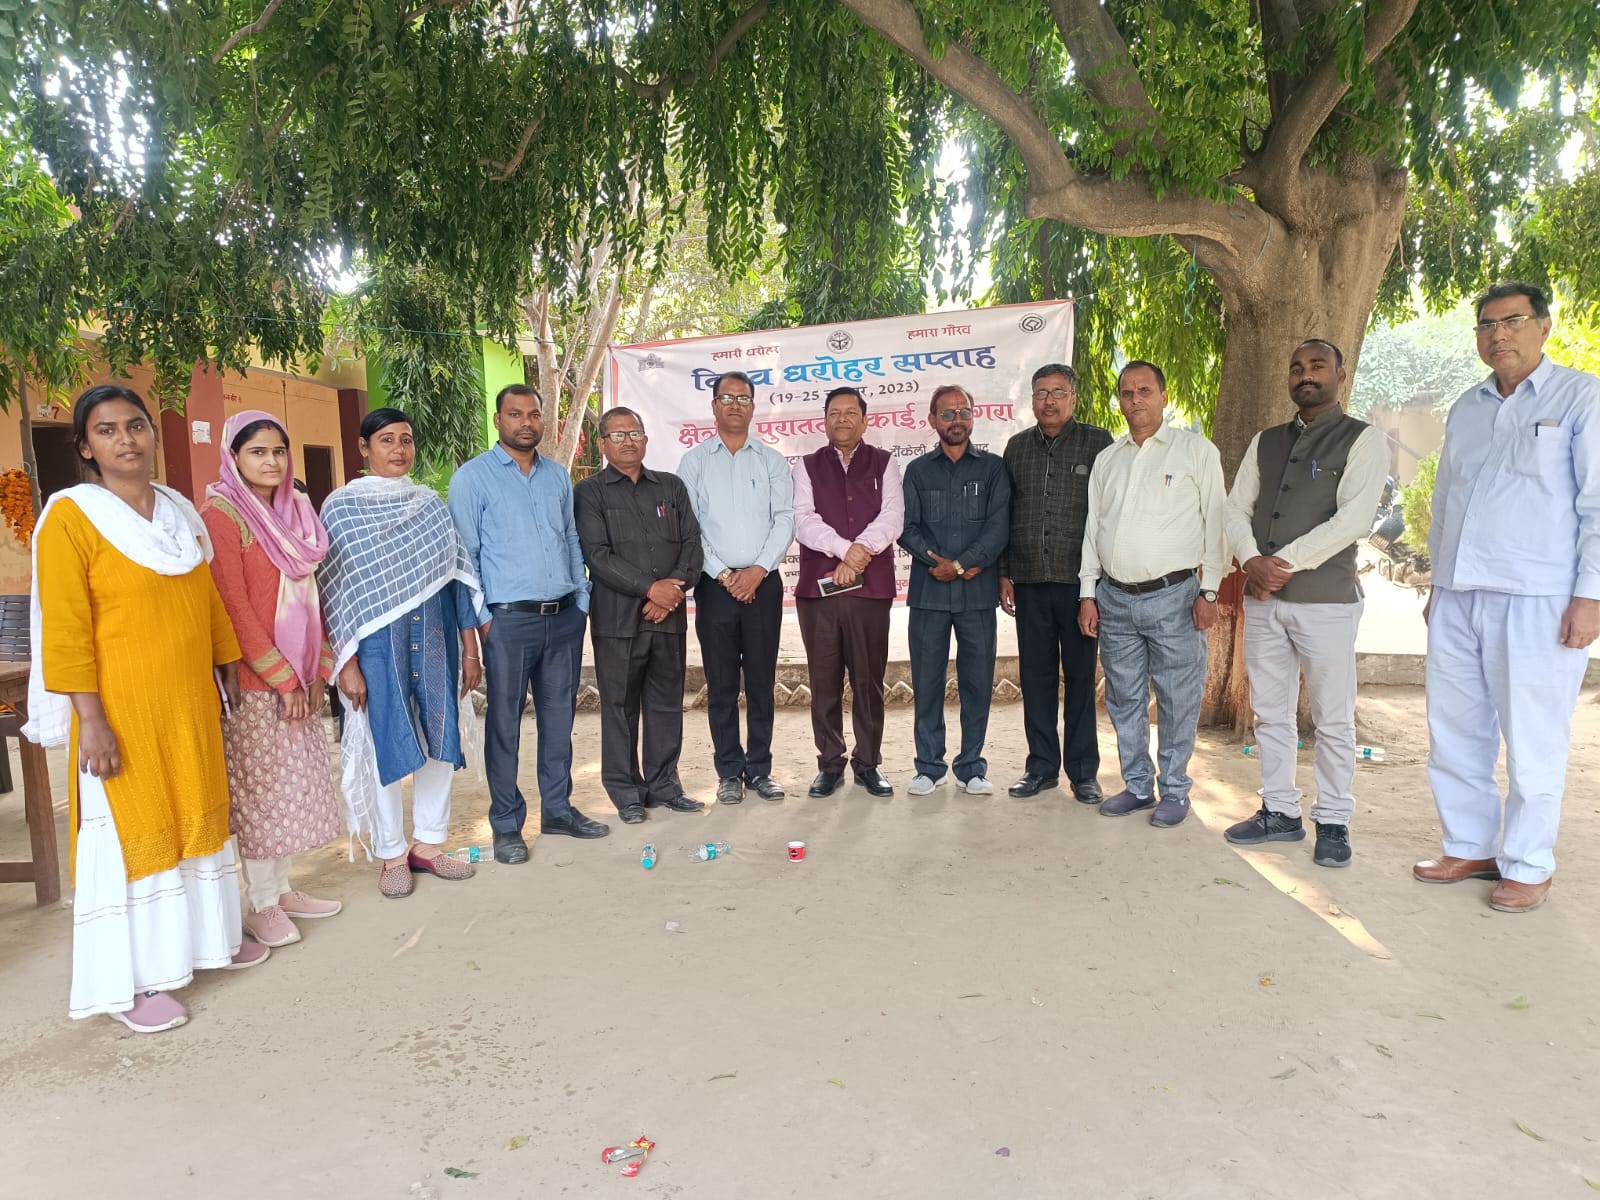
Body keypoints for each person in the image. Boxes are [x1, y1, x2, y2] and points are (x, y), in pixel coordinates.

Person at [26, 384, 268, 1036]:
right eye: (107, 430)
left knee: (198, 814)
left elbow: (207, 597)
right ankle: (133, 982)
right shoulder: (71, 518)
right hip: (121, 709)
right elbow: (66, 629)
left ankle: (209, 942)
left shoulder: (178, 511)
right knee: (135, 833)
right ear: (85, 447)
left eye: (136, 425)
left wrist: (225, 657)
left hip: (186, 701)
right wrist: (92, 721)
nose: (126, 439)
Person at [1415, 282, 1600, 912]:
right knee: (1454, 728)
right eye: (1486, 325)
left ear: (1543, 326)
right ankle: (1470, 845)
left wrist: (1590, 596)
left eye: (1512, 321)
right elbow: (1446, 500)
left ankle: (1528, 863)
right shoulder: (1468, 407)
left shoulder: (1581, 396)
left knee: (1533, 735)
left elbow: (1596, 504)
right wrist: (1439, 583)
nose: (1498, 335)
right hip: (1459, 593)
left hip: (1538, 596)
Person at [1222, 340, 1388, 866]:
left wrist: (1279, 565)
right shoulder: (1266, 441)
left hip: (1326, 602)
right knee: (1270, 713)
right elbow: (1235, 509)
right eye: (1296, 367)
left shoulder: (1362, 439)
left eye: (1317, 365)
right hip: (1264, 600)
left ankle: (1334, 819)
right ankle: (1280, 811)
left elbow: (1353, 520)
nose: (1305, 374)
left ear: (1340, 374)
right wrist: (1251, 560)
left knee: (1333, 717)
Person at [320, 408, 485, 898]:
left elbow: (456, 579)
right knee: (383, 743)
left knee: (439, 737)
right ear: (363, 447)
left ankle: (428, 845)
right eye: (387, 440)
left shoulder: (429, 506)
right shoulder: (342, 509)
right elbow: (335, 593)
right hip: (374, 647)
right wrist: (345, 663)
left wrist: (470, 650)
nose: (399, 449)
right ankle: (391, 852)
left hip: (435, 638)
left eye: (406, 440)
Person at [202, 411, 343, 948]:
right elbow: (234, 608)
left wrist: (318, 670)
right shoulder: (221, 514)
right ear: (233, 456)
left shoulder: (295, 510)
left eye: (279, 451)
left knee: (291, 787)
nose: (271, 461)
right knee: (261, 793)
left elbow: (314, 595)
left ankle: (281, 890)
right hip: (255, 680)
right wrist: (283, 679)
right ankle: (260, 903)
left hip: (299, 676)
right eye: (257, 451)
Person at [449, 384, 606, 861]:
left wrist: (582, 599)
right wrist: (482, 623)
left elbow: (571, 539)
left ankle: (558, 810)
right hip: (507, 623)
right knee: (505, 725)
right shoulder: (472, 478)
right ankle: (506, 824)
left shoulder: (556, 476)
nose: (526, 423)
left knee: (559, 721)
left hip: (563, 618)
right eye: (515, 414)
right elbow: (464, 557)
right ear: (498, 420)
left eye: (533, 414)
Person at [1078, 363, 1227, 828]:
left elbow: (1217, 523)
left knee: (1178, 698)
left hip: (1175, 597)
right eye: (1127, 392)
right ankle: (1138, 786)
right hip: (1114, 599)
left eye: (1145, 390)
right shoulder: (1109, 459)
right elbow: (1093, 529)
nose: (1135, 399)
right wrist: (1088, 593)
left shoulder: (1195, 451)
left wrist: (1210, 591)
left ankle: (1175, 790)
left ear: (1164, 396)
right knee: (1123, 697)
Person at [573, 407, 705, 823]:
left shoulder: (671, 487)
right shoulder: (589, 493)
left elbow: (692, 544)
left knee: (666, 704)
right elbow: (597, 556)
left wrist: (672, 591)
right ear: (602, 444)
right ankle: (626, 791)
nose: (628, 441)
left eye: (635, 433)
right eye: (618, 435)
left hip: (668, 617)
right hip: (617, 621)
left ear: (646, 440)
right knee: (620, 707)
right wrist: (652, 589)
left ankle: (665, 785)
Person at [678, 371, 795, 805]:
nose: (734, 405)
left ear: (753, 406)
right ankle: (729, 771)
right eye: (726, 398)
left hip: (763, 585)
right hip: (715, 588)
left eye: (742, 398)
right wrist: (726, 575)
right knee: (722, 684)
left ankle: (760, 769)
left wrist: (758, 570)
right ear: (713, 406)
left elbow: (784, 519)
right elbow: (689, 527)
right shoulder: (694, 462)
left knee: (761, 682)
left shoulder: (771, 461)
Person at [1000, 363, 1113, 801]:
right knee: (1036, 677)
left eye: (1058, 392)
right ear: (1032, 400)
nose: (1049, 401)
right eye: (1041, 393)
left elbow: (1107, 516)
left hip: (1079, 586)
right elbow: (1006, 515)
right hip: (1029, 581)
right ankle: (1041, 767)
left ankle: (1083, 772)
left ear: (1073, 398)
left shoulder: (1098, 444)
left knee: (1081, 679)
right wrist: (1005, 573)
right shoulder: (1016, 448)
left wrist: (1095, 588)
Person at [792, 386, 904, 798]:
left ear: (865, 420)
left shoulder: (885, 463)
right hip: (817, 592)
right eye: (834, 412)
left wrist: (859, 554)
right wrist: (845, 550)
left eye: (850, 412)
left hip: (870, 591)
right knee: (823, 681)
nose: (842, 419)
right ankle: (829, 763)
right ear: (824, 421)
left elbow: (893, 516)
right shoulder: (805, 466)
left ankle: (868, 763)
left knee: (868, 681)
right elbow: (803, 520)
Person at [899, 385, 1011, 796]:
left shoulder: (993, 469)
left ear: (973, 417)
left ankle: (971, 767)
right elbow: (906, 527)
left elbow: (999, 526)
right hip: (929, 595)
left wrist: (962, 564)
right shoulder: (917, 471)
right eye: (947, 414)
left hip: (977, 596)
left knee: (977, 684)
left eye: (964, 412)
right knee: (927, 683)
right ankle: (929, 767)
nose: (956, 420)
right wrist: (939, 563)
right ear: (932, 420)